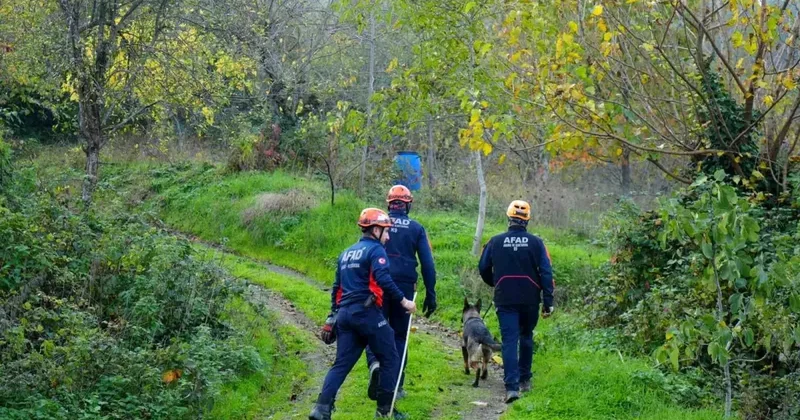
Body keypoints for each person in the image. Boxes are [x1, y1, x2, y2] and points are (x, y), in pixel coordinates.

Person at [309, 208, 417, 420]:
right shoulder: (376, 251)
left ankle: (320, 409)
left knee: (341, 364)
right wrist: (405, 301)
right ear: (375, 230)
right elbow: (384, 280)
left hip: (345, 316)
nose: (387, 237)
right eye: (386, 232)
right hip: (367, 313)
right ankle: (384, 411)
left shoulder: (346, 253)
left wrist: (333, 314)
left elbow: (336, 288)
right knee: (391, 358)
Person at [478, 200, 554, 404]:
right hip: (530, 298)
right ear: (527, 220)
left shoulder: (495, 241)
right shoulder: (537, 243)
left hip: (505, 297)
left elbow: (483, 267)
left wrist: (495, 283)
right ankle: (525, 379)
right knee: (526, 336)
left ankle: (511, 387)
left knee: (510, 340)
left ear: (508, 217)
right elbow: (546, 272)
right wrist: (548, 301)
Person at [365, 185, 437, 401]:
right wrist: (431, 293)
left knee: (373, 329)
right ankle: (396, 383)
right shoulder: (416, 228)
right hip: (405, 287)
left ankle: (375, 364)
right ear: (408, 204)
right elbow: (427, 264)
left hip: (377, 283)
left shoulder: (378, 225)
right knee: (399, 335)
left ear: (389, 204)